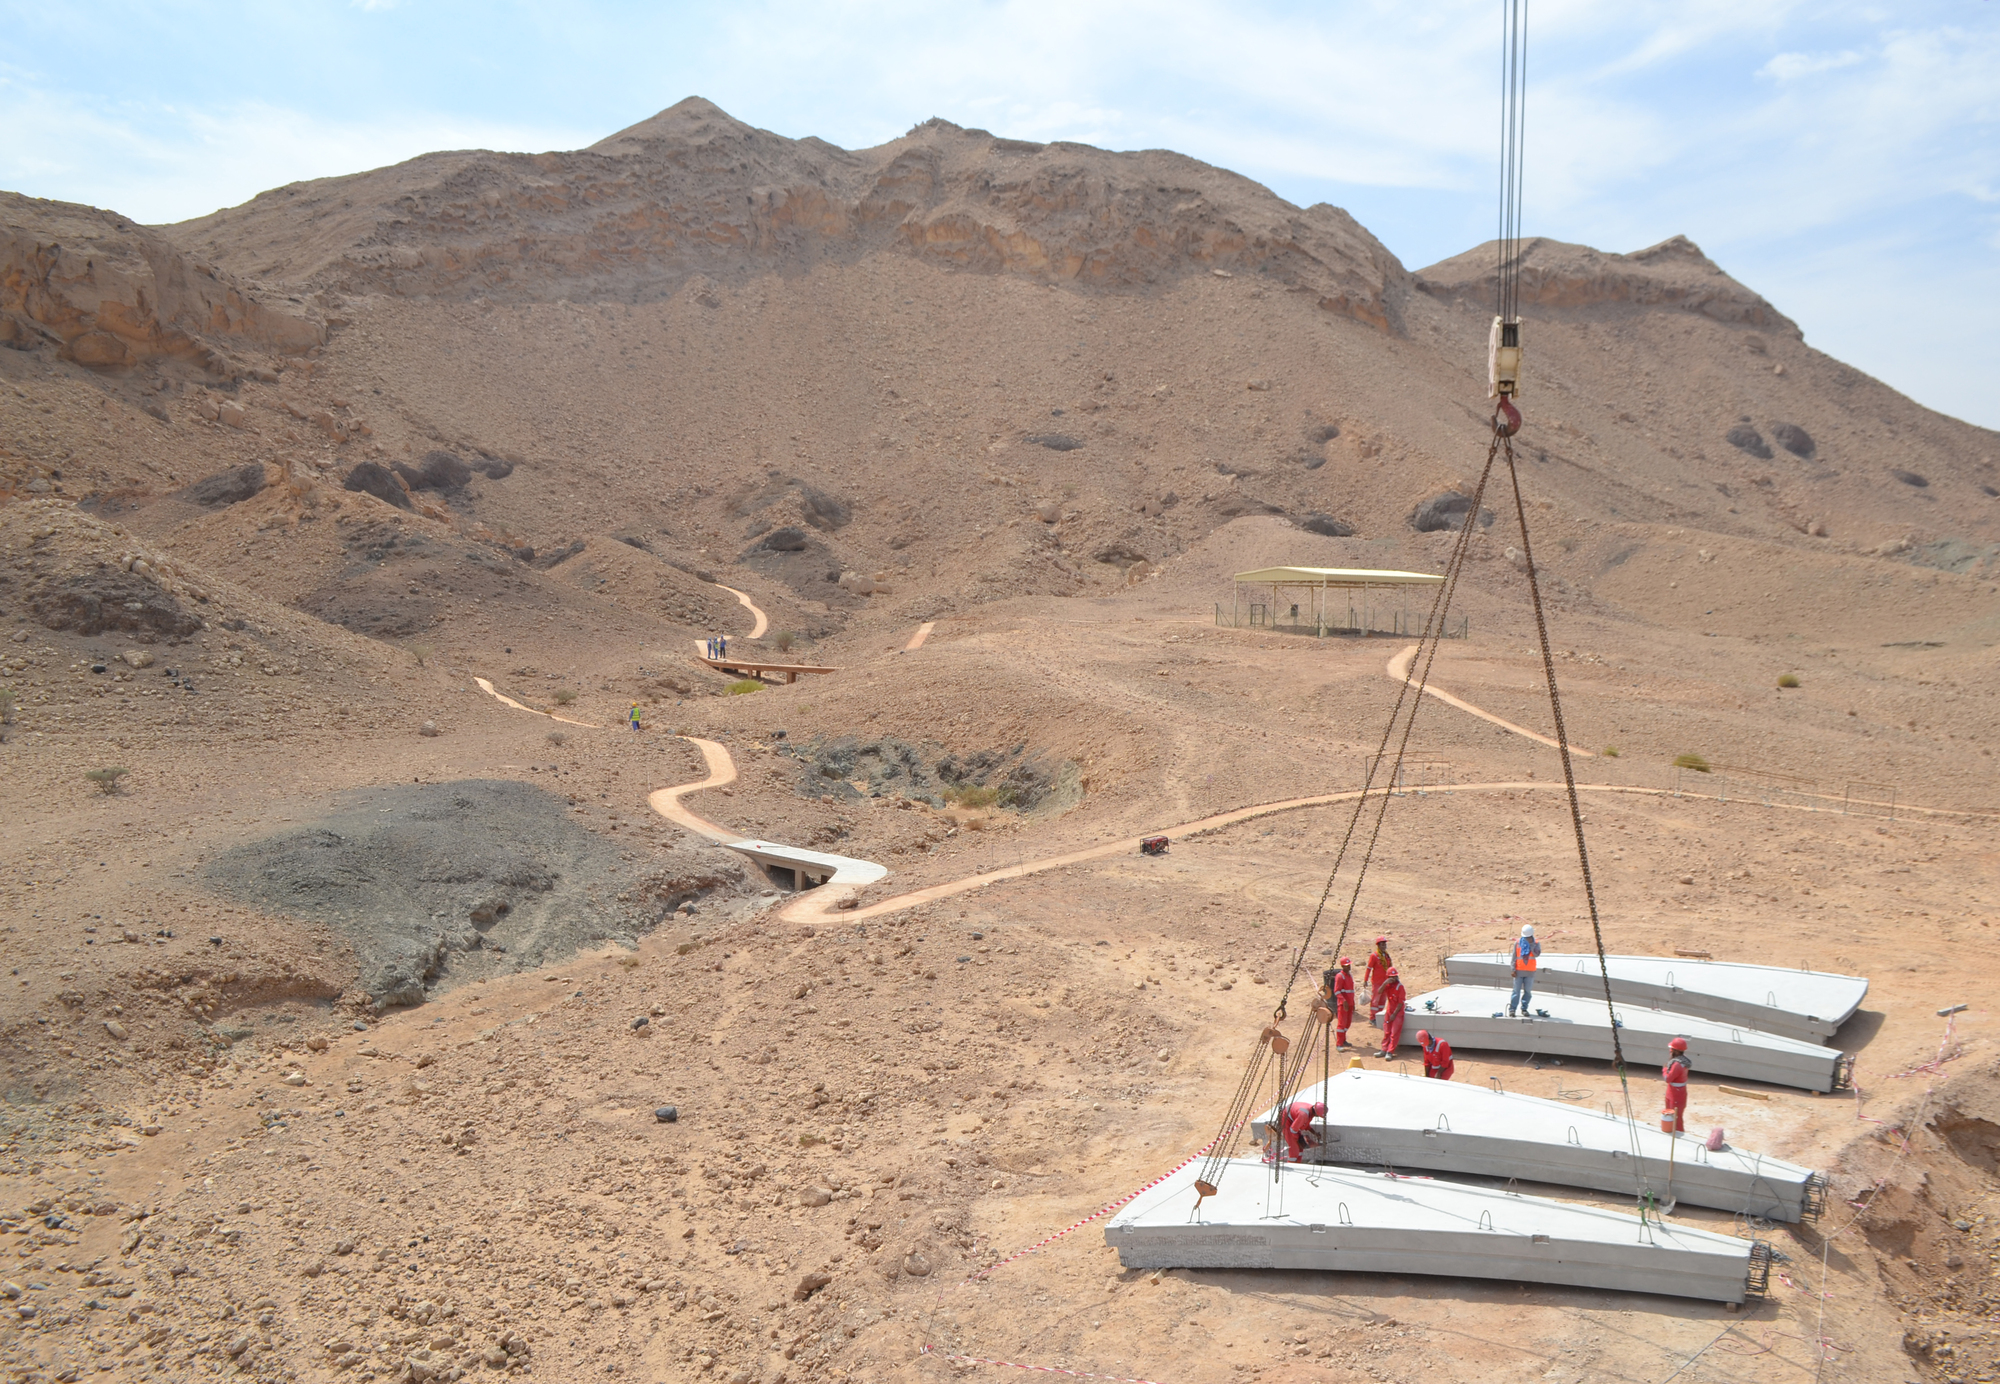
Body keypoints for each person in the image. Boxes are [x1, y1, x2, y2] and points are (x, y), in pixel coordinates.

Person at [1507, 922, 1542, 1017]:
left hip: (1530, 972)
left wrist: (1531, 945)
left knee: (1528, 992)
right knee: (1516, 991)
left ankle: (1524, 1008)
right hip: (1519, 971)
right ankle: (1512, 1009)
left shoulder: (1536, 943)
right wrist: (1513, 969)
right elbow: (1514, 957)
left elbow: (1536, 954)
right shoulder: (1518, 943)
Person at [1324, 957, 1356, 1049]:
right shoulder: (1340, 976)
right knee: (1342, 1024)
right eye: (1346, 965)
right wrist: (1343, 1001)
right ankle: (1339, 1043)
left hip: (1349, 1003)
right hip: (1343, 1005)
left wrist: (1352, 1003)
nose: (1348, 967)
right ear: (1342, 966)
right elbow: (1337, 991)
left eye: (1349, 965)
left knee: (1348, 1023)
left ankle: (1343, 1040)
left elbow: (1351, 991)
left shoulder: (1349, 976)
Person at [1377, 966, 1407, 1058]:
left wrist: (1394, 1014)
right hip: (1389, 1011)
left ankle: (1390, 1052)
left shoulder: (1400, 987)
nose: (1393, 978)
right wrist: (1384, 983)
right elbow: (1379, 992)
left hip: (1397, 1013)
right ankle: (1384, 1049)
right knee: (1387, 1031)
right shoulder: (1388, 986)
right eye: (1391, 977)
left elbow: (1400, 1003)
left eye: (1394, 976)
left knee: (1394, 1033)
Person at [1662, 1036, 1691, 1133]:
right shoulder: (1682, 1062)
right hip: (1674, 1092)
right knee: (1670, 1116)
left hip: (1675, 1095)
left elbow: (1668, 1078)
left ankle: (1678, 1137)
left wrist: (1665, 1069)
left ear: (1675, 1051)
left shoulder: (1677, 1065)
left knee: (1675, 1119)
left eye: (1672, 1049)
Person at [1364, 937, 1393, 1026]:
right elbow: (1369, 968)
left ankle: (1379, 1017)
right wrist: (1365, 980)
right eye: (1382, 944)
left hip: (1385, 982)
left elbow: (1389, 968)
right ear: (1378, 945)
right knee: (1375, 1001)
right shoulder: (1375, 956)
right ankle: (1372, 1018)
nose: (1384, 946)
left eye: (1385, 944)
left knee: (1382, 1001)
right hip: (1377, 982)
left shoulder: (1387, 956)